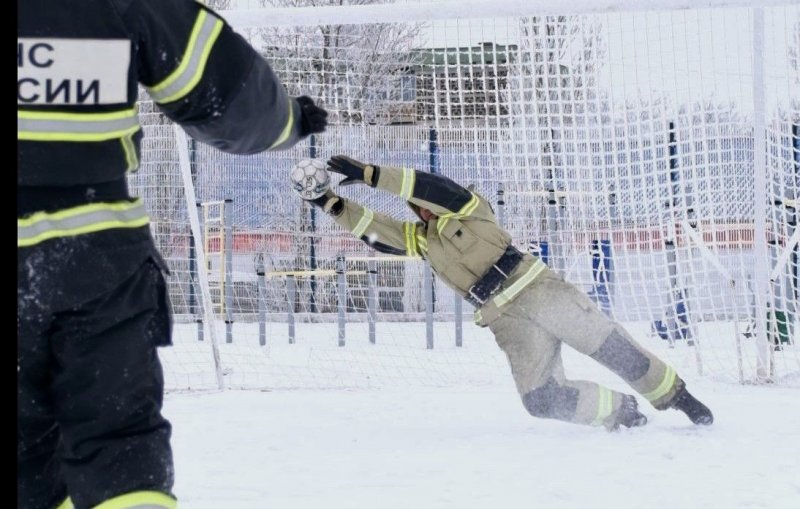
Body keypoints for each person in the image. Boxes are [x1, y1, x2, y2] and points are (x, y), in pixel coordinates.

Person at [17, 0, 328, 507]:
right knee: (120, 454)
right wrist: (291, 122)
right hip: (95, 261)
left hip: (94, 260)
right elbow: (229, 95)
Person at [305, 155, 714, 432]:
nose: (421, 209)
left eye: (421, 202)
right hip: (506, 319)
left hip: (539, 290)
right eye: (416, 208)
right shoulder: (423, 240)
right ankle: (619, 410)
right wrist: (329, 201)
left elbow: (433, 187)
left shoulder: (469, 206)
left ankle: (679, 397)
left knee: (610, 348)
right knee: (541, 400)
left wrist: (372, 175)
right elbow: (378, 234)